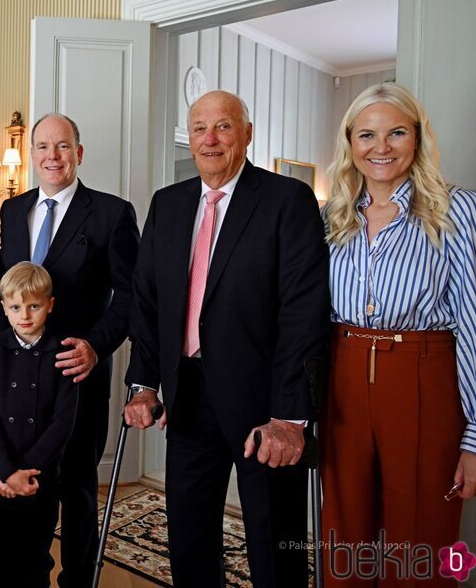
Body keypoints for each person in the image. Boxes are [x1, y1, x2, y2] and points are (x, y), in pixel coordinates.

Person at [124, 90, 330, 588]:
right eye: (199, 128)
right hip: (188, 397)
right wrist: (145, 384)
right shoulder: (167, 204)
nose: (210, 139)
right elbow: (149, 304)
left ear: (247, 134)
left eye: (223, 127)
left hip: (266, 407)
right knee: (190, 537)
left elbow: (303, 313)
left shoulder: (286, 200)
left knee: (274, 542)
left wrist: (291, 415)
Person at [319, 82, 476, 586]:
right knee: (342, 539)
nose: (381, 147)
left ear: (417, 138)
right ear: (349, 143)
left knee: (423, 543)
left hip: (425, 381)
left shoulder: (461, 211)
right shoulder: (331, 218)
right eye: (367, 135)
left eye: (396, 132)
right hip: (342, 382)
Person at [0, 112, 139, 586]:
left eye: (62, 147)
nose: (51, 156)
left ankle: (79, 579)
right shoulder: (12, 211)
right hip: (19, 379)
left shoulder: (112, 213)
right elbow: (8, 294)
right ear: (32, 154)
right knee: (29, 483)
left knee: (78, 489)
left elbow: (131, 295)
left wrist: (97, 346)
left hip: (79, 374)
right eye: (42, 147)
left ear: (78, 153)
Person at [0, 262, 78, 588]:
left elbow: (63, 423)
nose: (25, 315)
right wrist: (7, 473)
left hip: (40, 478)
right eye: (16, 306)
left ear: (50, 305)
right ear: (4, 308)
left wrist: (25, 473)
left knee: (35, 561)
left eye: (34, 306)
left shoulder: (64, 352)